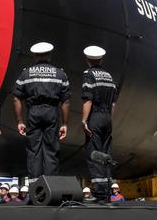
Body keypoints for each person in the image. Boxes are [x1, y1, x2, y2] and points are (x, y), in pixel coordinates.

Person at [13, 42, 70, 183]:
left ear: (34, 56)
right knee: (51, 149)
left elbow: (16, 98)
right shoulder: (60, 73)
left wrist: (20, 121)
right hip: (52, 112)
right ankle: (51, 187)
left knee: (34, 150)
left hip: (33, 112)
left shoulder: (26, 73)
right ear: (49, 55)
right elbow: (66, 101)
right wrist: (65, 123)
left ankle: (35, 189)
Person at [81, 46, 117, 202]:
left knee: (94, 153)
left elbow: (88, 99)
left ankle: (99, 193)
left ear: (87, 60)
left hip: (95, 115)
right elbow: (114, 104)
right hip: (107, 117)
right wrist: (109, 119)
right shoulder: (109, 76)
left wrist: (84, 120)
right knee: (106, 152)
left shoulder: (88, 75)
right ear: (101, 60)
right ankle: (108, 190)